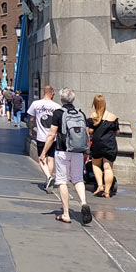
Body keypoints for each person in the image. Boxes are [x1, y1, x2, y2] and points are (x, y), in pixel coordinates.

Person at [39, 87, 91, 225]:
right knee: (78, 179)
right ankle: (84, 202)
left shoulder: (58, 113)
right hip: (78, 151)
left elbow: (51, 135)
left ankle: (66, 213)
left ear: (61, 99)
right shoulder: (81, 113)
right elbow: (86, 134)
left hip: (62, 150)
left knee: (62, 181)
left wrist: (44, 152)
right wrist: (87, 151)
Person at [28, 85, 61, 190]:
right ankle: (48, 180)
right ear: (51, 93)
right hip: (52, 137)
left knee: (41, 159)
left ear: (43, 92)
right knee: (51, 158)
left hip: (41, 136)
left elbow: (32, 119)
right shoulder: (57, 106)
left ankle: (49, 177)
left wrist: (31, 129)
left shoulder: (36, 104)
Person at [87, 94, 119, 198]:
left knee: (96, 165)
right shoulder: (113, 117)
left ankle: (100, 185)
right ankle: (107, 192)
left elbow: (91, 131)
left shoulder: (93, 116)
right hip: (110, 144)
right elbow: (117, 132)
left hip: (97, 144)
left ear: (95, 104)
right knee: (108, 168)